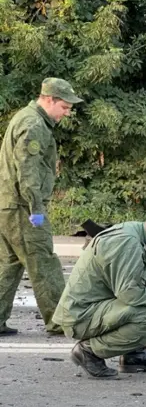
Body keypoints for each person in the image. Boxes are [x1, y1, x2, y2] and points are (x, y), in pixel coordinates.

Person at [52, 205, 146, 379]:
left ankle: (134, 354)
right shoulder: (127, 242)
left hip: (101, 307)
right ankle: (88, 352)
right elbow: (130, 293)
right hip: (80, 316)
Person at [0, 78, 83, 337]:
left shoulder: (26, 118)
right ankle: (61, 321)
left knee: (9, 264)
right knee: (44, 263)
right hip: (23, 208)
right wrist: (36, 207)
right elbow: (28, 170)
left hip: (9, 206)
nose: (67, 113)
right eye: (65, 107)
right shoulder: (34, 124)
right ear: (49, 99)